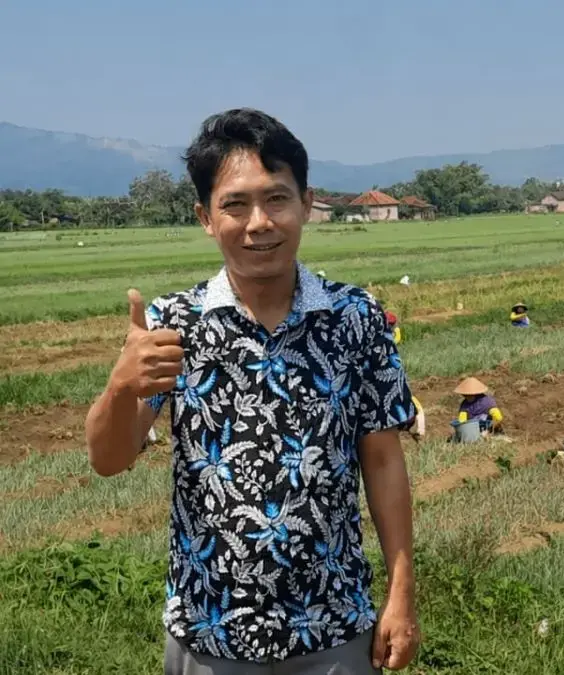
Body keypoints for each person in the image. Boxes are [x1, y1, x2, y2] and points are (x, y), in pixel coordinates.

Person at [83, 109, 420, 673]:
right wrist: (121, 387)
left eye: (276, 199)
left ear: (307, 204)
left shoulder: (354, 316)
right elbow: (108, 460)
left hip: (333, 628)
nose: (258, 222)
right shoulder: (173, 324)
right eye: (235, 204)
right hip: (209, 635)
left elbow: (383, 461)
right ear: (206, 218)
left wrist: (401, 594)